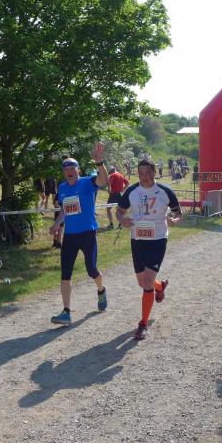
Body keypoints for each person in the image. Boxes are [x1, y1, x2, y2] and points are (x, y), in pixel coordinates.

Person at [116, 160, 182, 340]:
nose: (144, 177)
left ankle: (143, 324)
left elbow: (178, 213)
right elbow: (119, 211)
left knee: (146, 283)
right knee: (143, 282)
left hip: (158, 240)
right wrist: (122, 220)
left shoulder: (165, 191)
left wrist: (174, 220)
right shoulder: (132, 191)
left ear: (154, 172)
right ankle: (160, 286)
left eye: (147, 173)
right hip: (137, 240)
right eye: (141, 173)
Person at [49, 143, 109, 325]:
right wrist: (57, 224)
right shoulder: (62, 188)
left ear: (78, 170)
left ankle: (101, 290)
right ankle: (66, 312)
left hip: (88, 232)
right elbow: (65, 210)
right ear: (63, 172)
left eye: (72, 168)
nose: (69, 171)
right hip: (70, 236)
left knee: (91, 269)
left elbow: (103, 181)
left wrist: (99, 162)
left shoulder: (87, 182)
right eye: (66, 169)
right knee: (65, 273)